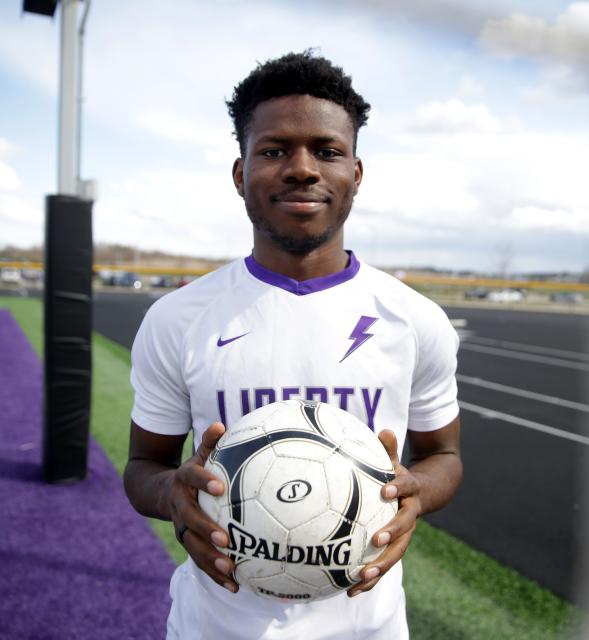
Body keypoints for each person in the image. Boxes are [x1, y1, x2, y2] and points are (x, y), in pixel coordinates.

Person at [124, 50, 462, 640]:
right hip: (213, 625)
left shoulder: (414, 320)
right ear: (240, 173)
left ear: (355, 175)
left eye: (328, 151)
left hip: (370, 627)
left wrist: (416, 493)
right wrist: (173, 497)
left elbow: (445, 457)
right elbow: (143, 468)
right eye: (275, 150)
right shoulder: (178, 318)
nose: (302, 169)